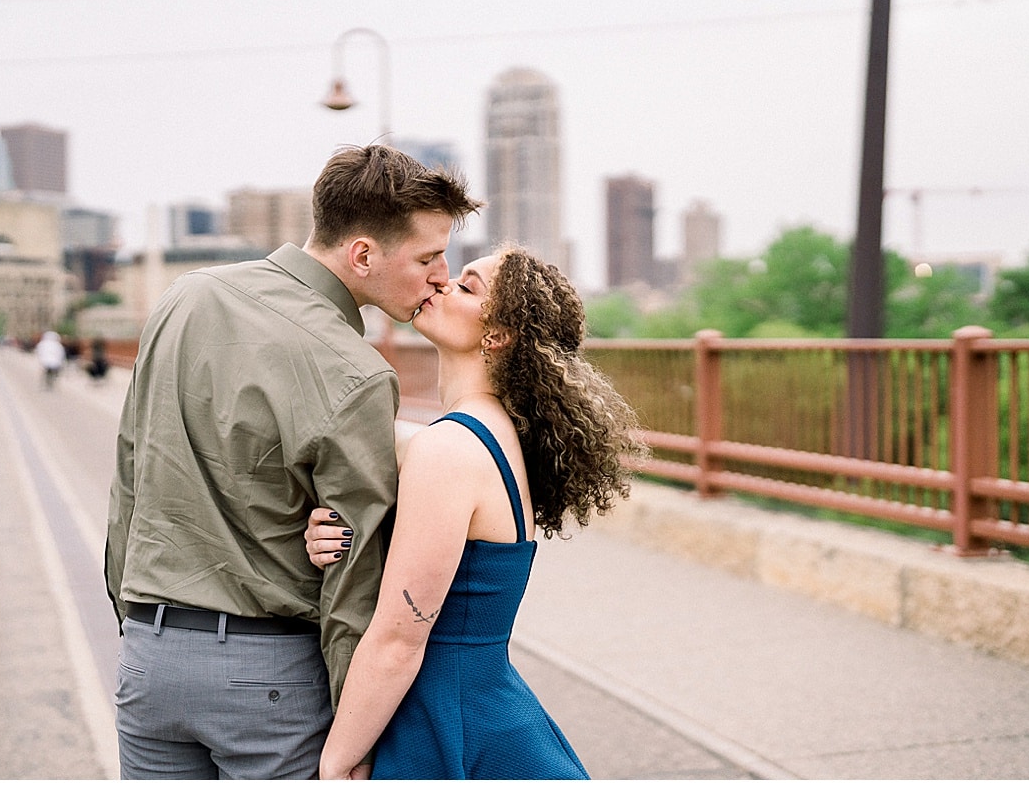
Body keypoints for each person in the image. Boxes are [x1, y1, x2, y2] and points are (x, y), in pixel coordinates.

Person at [104, 144, 483, 780]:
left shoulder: (184, 298)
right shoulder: (356, 372)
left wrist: (137, 621)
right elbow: (353, 576)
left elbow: (131, 472)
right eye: (426, 257)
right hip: (268, 677)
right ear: (363, 254)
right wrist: (354, 736)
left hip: (149, 660)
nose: (441, 275)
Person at [305, 245, 649, 780]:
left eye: (466, 286)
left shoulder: (450, 450)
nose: (441, 283)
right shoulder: (482, 436)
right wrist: (336, 531)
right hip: (485, 709)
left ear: (498, 335)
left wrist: (339, 758)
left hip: (446, 719)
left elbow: (400, 640)